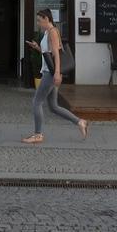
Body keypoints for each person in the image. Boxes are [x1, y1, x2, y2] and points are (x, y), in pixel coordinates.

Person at [22, 9, 88, 144]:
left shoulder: (52, 32)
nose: (38, 23)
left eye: (40, 20)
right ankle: (80, 122)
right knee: (53, 107)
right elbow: (48, 53)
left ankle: (38, 134)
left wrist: (57, 73)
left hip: (50, 74)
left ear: (47, 19)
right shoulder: (48, 32)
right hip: (51, 72)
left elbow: (56, 54)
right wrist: (37, 48)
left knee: (36, 102)